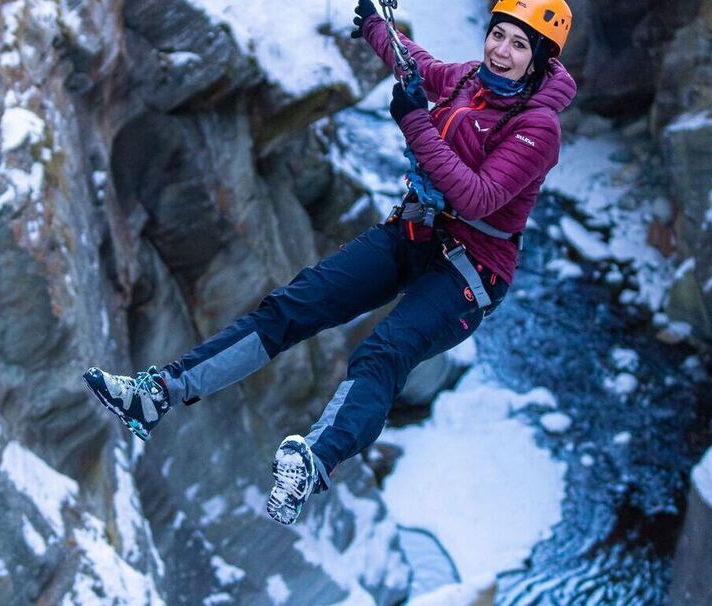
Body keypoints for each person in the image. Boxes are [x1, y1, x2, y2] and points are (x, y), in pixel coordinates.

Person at [84, 0, 576, 525]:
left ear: (540, 60)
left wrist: (416, 123)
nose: (501, 51)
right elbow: (421, 69)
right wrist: (374, 27)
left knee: (383, 354)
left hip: (470, 270)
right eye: (498, 35)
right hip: (416, 230)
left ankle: (312, 463)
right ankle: (159, 394)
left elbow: (478, 197)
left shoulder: (538, 127)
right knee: (292, 306)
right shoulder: (468, 80)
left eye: (519, 45)